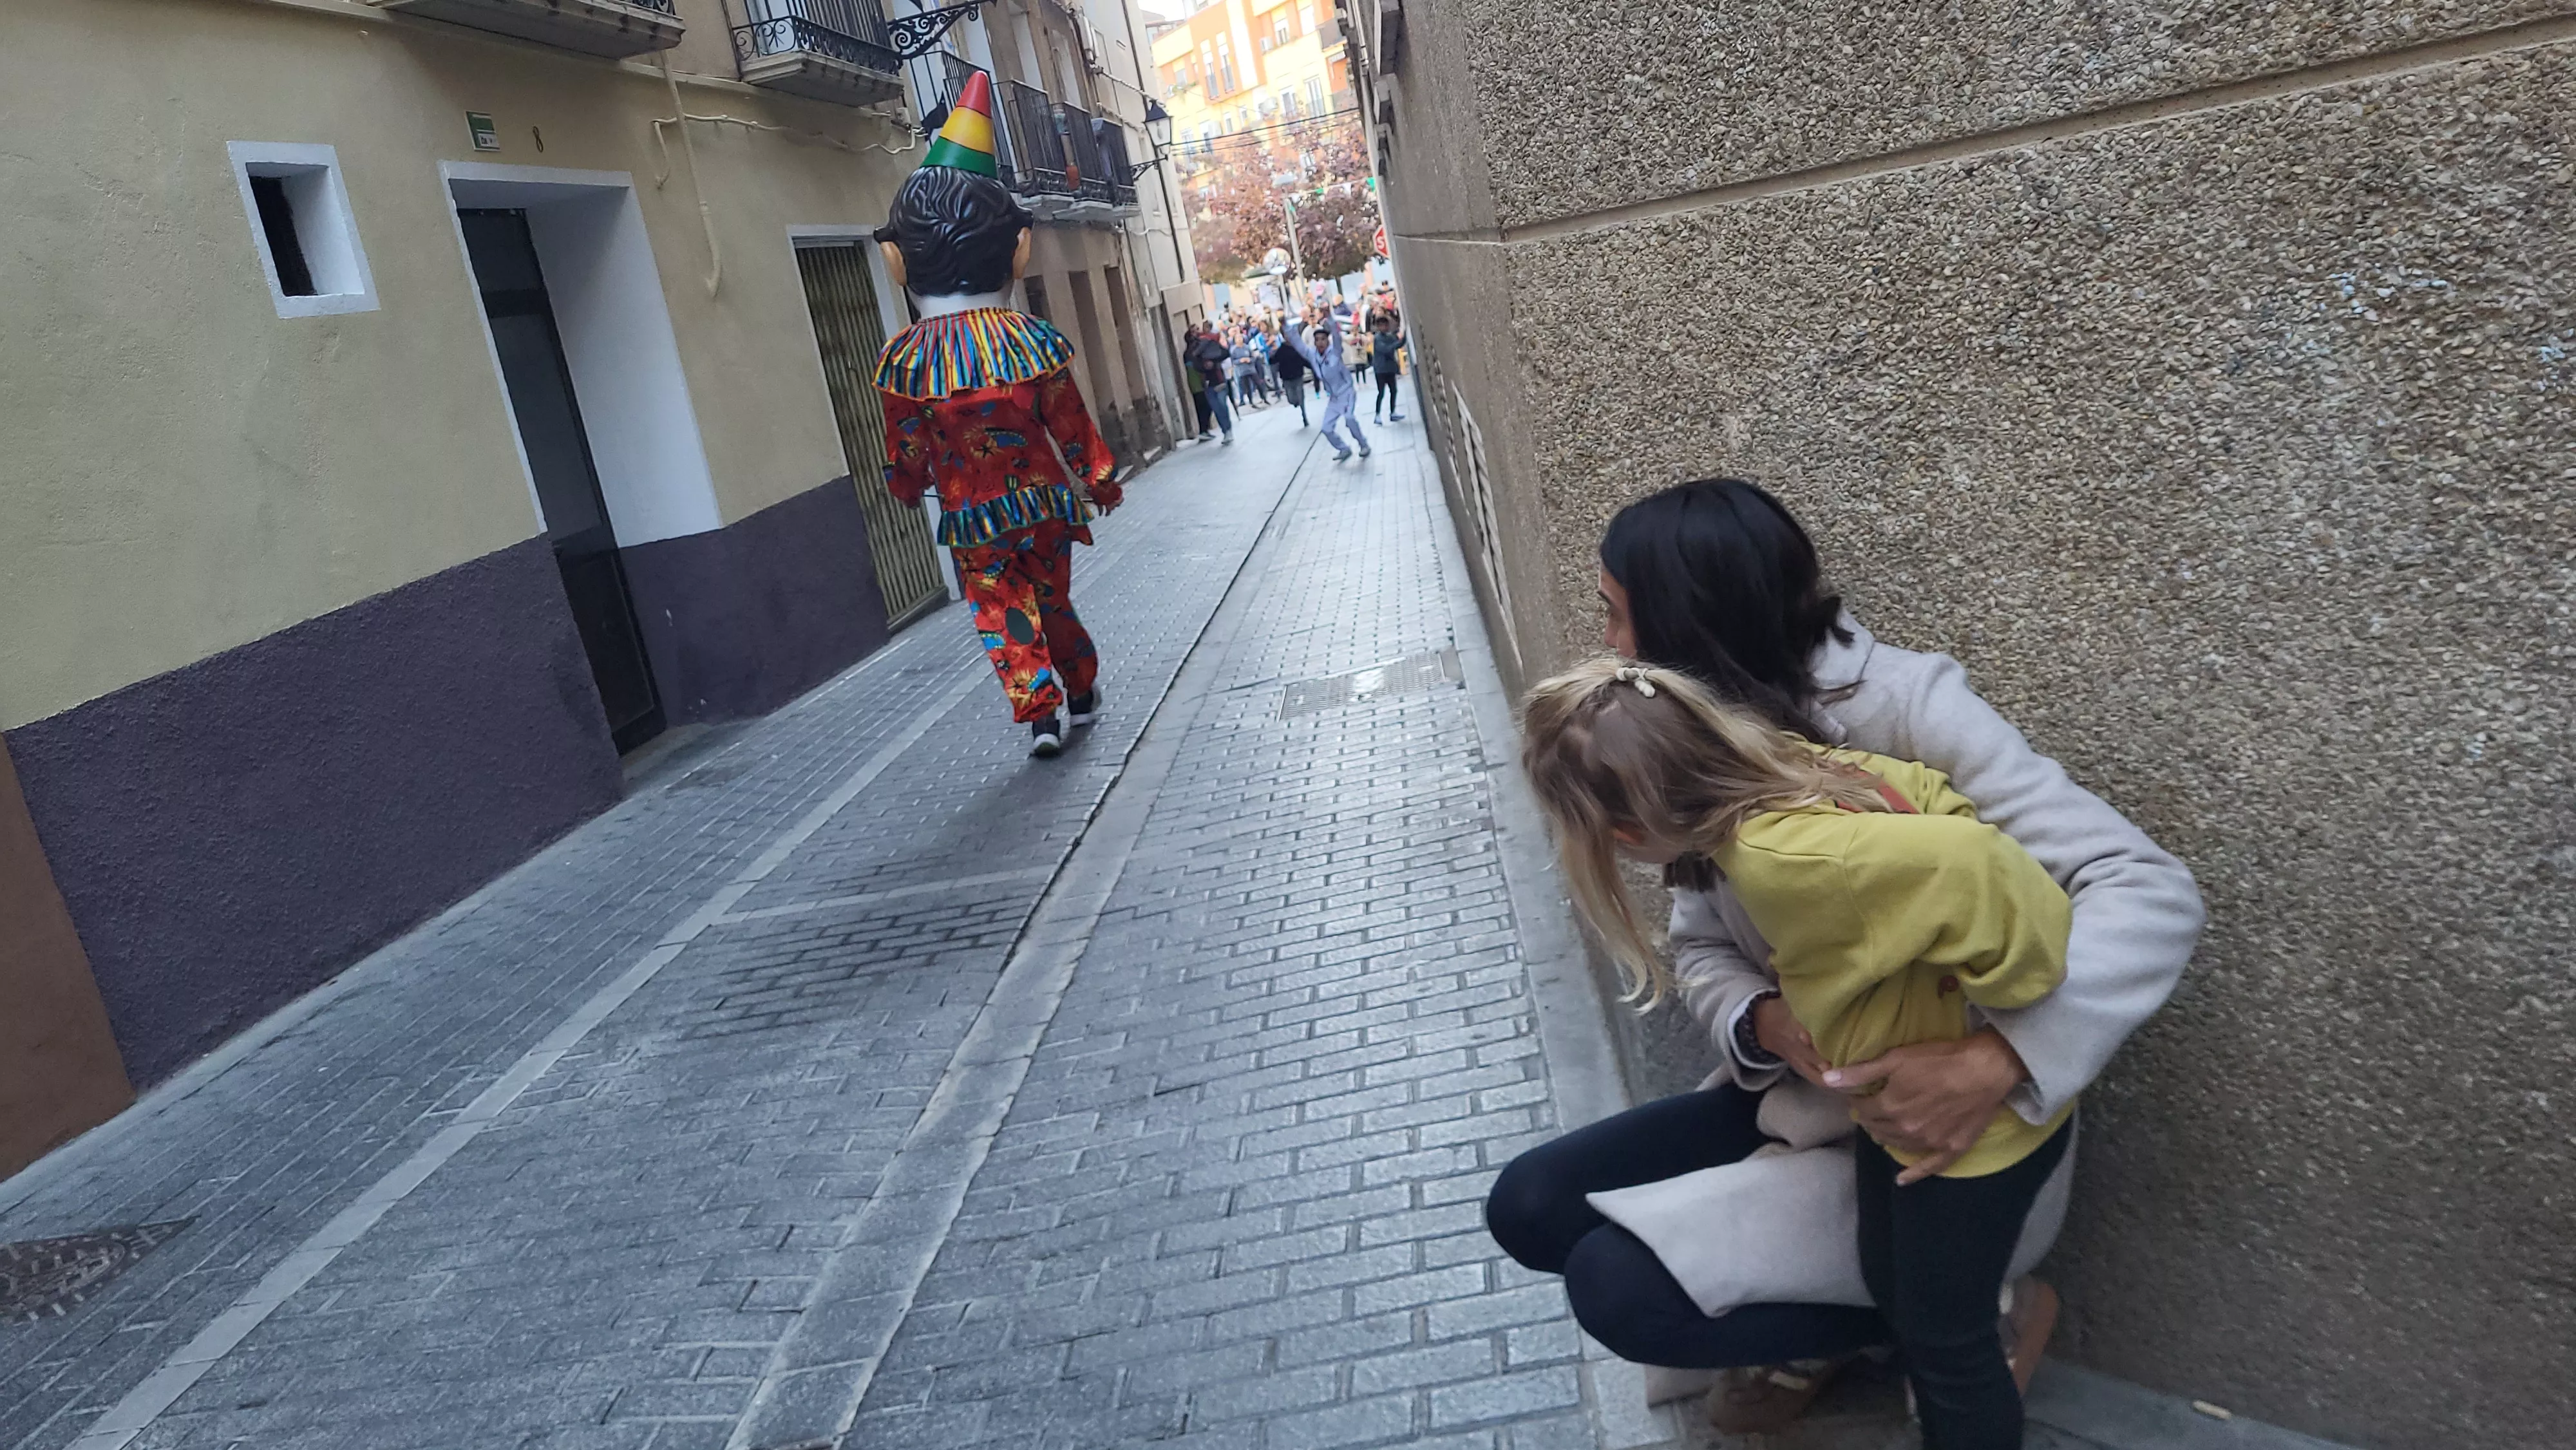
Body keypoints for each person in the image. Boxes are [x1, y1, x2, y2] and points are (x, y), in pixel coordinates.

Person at [1484, 478, 2203, 1435]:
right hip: (1816, 1092)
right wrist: (1768, 1022)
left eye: (1619, 617)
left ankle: (1966, 1320)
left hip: (1960, 1138)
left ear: (1691, 624)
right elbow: (1700, 946)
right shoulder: (1674, 739)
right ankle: (1870, 1322)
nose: (1613, 648)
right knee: (1532, 1204)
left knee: (1622, 1289)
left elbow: (2148, 889)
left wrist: (2003, 1057)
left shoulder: (1908, 707)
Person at [1520, 657, 2075, 1450]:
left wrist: (2017, 985)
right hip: (1892, 1114)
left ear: (1626, 834)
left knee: (1946, 1346)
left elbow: (1973, 860)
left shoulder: (1784, 861)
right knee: (1894, 1285)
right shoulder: (1802, 776)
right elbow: (1931, 805)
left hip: (1964, 1133)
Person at [873, 74, 1121, 760]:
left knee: (999, 610)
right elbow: (1069, 421)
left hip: (970, 516)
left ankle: (1040, 709)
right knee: (1054, 598)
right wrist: (1096, 478)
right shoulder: (1030, 341)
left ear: (897, 261)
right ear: (1019, 250)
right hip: (1042, 502)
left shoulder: (905, 362)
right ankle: (1080, 689)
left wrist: (903, 485)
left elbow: (906, 446)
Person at [1289, 302, 1369, 461]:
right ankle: (1343, 449)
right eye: (1317, 340)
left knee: (1349, 419)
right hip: (1334, 398)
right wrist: (1287, 328)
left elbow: (1337, 336)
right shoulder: (1313, 355)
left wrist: (1330, 318)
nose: (1320, 343)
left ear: (1327, 341)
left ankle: (1363, 444)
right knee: (1326, 428)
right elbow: (1299, 345)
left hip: (1346, 393)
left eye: (1323, 340)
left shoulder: (1335, 352)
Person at [1185, 323, 1234, 444]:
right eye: (1194, 332)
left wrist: (1214, 361)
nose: (1197, 333)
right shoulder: (1192, 351)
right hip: (1207, 384)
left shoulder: (1211, 343)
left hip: (1219, 380)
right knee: (1217, 408)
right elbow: (1195, 367)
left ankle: (1228, 430)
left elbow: (1225, 353)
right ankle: (1226, 431)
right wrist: (1203, 366)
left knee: (1222, 405)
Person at [1267, 321, 1310, 426]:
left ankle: (1304, 416)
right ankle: (1295, 402)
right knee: (1291, 398)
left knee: (1301, 396)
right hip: (1286, 378)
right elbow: (1272, 361)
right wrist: (1272, 353)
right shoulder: (1281, 350)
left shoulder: (1298, 348)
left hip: (1298, 375)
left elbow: (1305, 360)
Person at [1368, 315, 1406, 422]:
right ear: (1378, 327)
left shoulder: (1390, 337)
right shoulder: (1378, 338)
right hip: (1380, 370)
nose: (1384, 327)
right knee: (1381, 392)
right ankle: (1377, 415)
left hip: (1390, 369)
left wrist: (1404, 338)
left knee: (1394, 390)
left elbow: (1398, 344)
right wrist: (1399, 341)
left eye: (1385, 325)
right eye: (1381, 325)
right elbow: (1387, 349)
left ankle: (1393, 412)